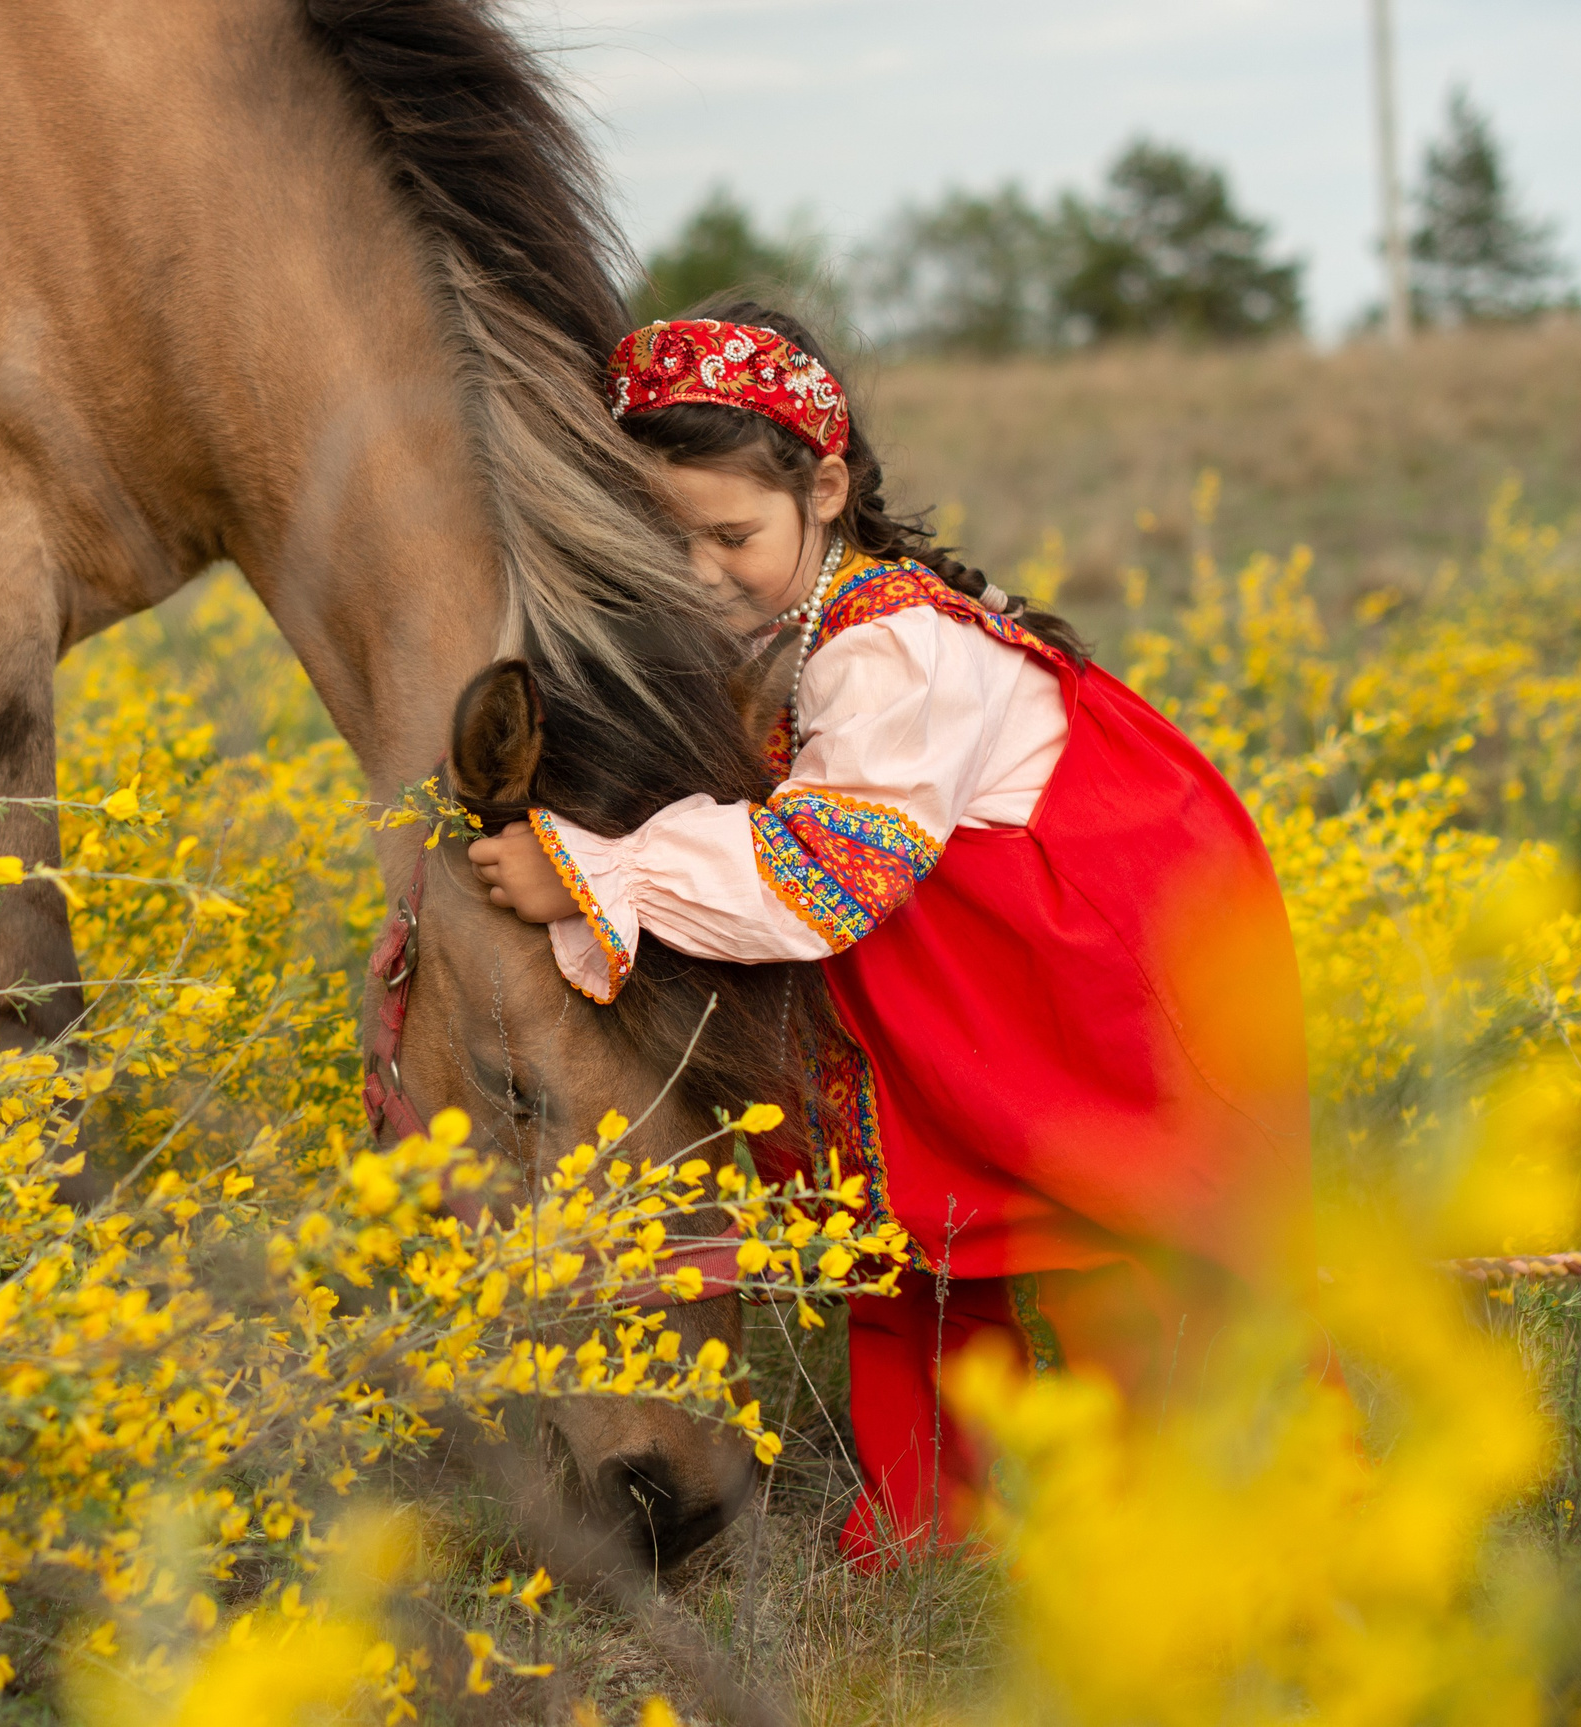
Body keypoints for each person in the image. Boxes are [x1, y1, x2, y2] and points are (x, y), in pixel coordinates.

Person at [467, 304, 1311, 1569]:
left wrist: (594, 874)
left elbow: (822, 871)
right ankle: (928, 1526)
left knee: (1109, 1246)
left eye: (730, 536)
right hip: (957, 976)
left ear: (824, 488)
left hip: (1063, 982)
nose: (699, 572)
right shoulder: (787, 624)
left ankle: (1213, 1520)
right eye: (665, 540)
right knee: (904, 1255)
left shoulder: (896, 647)